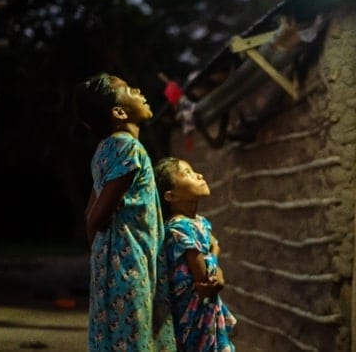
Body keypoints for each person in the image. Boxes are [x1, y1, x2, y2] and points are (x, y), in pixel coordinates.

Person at [72, 72, 176, 352]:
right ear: (118, 112)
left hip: (113, 263)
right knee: (135, 341)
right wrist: (120, 262)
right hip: (130, 265)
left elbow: (88, 215)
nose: (139, 89)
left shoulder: (104, 150)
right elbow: (96, 215)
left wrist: (101, 258)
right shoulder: (128, 147)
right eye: (130, 89)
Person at [154, 157, 237, 352]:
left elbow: (214, 246)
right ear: (171, 196)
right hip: (193, 314)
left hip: (205, 309)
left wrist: (216, 268)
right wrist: (217, 275)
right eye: (187, 173)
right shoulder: (179, 227)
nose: (198, 175)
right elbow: (204, 278)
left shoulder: (199, 222)